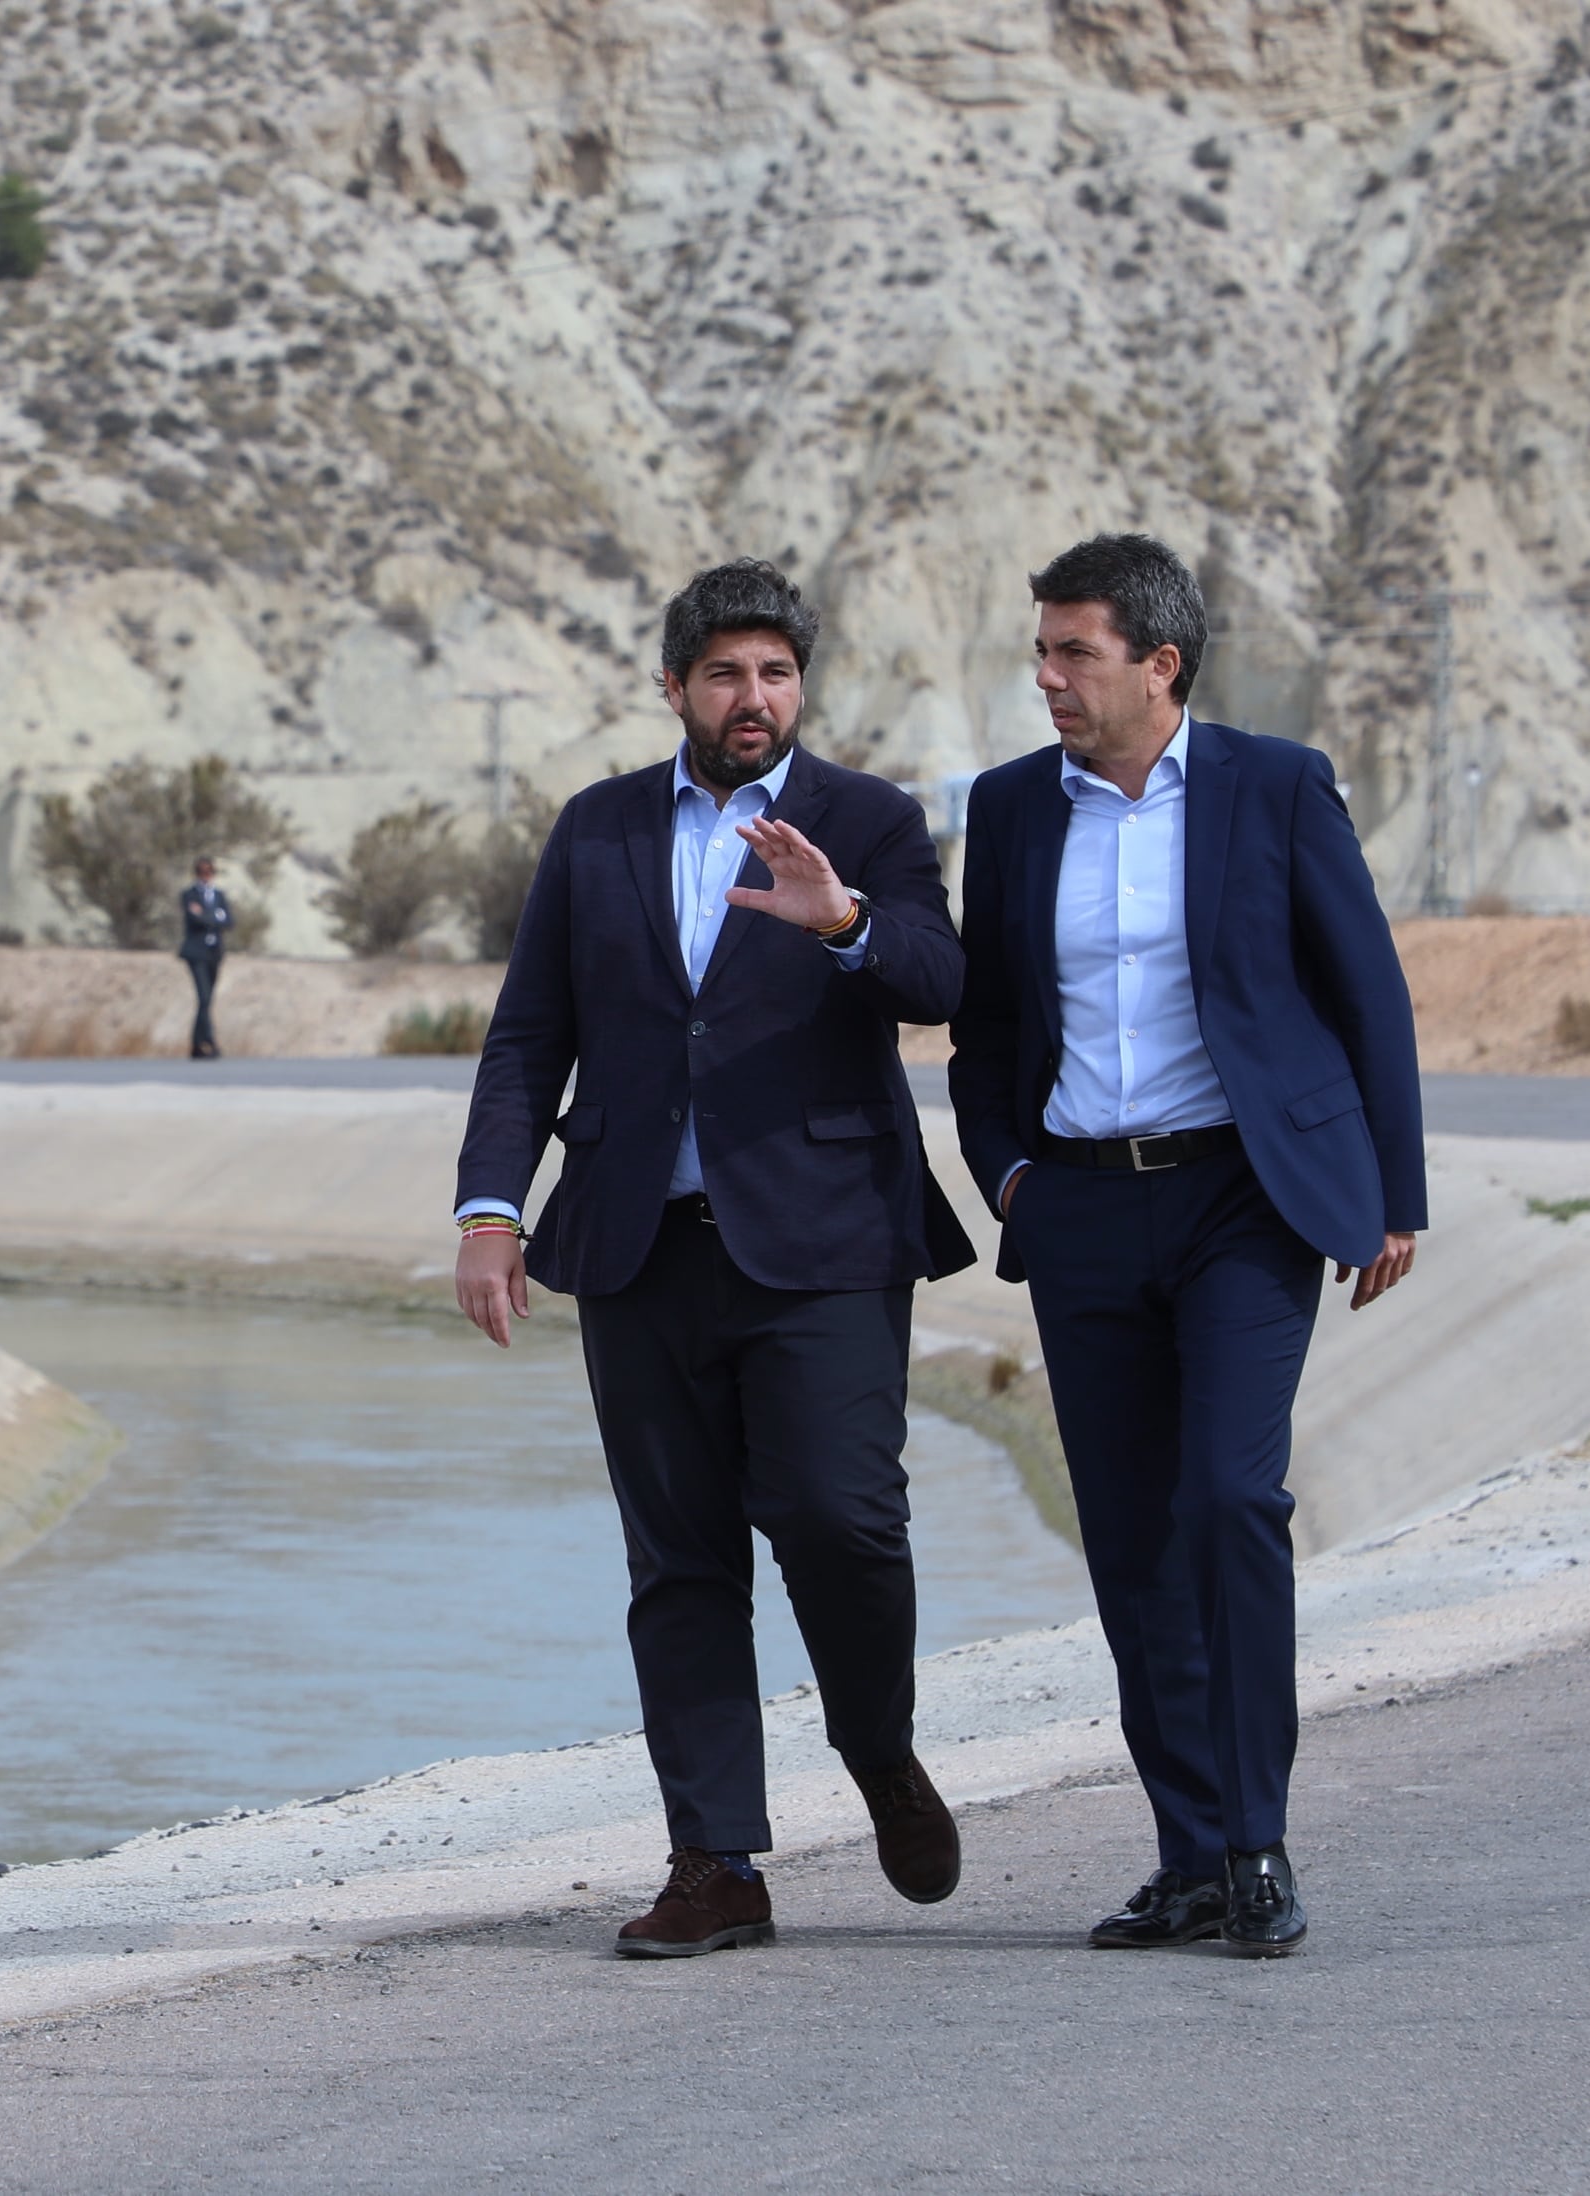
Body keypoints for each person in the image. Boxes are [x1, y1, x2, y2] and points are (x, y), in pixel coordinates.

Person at [452, 558, 975, 1958]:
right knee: (676, 1561)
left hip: (824, 1243)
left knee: (840, 1521)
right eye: (727, 674)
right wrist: (489, 1211)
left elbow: (943, 978)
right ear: (673, 686)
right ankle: (715, 1862)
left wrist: (848, 924)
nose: (755, 699)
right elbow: (527, 1038)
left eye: (777, 674)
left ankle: (878, 1756)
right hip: (638, 1247)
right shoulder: (598, 830)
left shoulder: (864, 818)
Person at [947, 532, 1425, 1960]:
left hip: (1242, 1202)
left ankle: (1258, 1842)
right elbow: (984, 1034)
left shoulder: (1273, 787)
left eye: (1072, 652)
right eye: (1038, 652)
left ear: (1159, 663)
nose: (1047, 679)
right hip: (1082, 1207)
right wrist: (1013, 1180)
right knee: (1133, 1542)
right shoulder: (1010, 809)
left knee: (1227, 1501)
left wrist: (1391, 1194)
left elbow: (1366, 996)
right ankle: (1189, 1858)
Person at [177, 857, 231, 1059]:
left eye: (209, 871)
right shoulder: (189, 895)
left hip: (214, 952)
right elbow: (194, 919)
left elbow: (229, 921)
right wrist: (215, 917)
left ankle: (197, 1044)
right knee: (204, 996)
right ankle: (208, 1040)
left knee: (208, 999)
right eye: (202, 871)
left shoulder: (219, 895)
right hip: (196, 952)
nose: (206, 875)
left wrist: (208, 916)